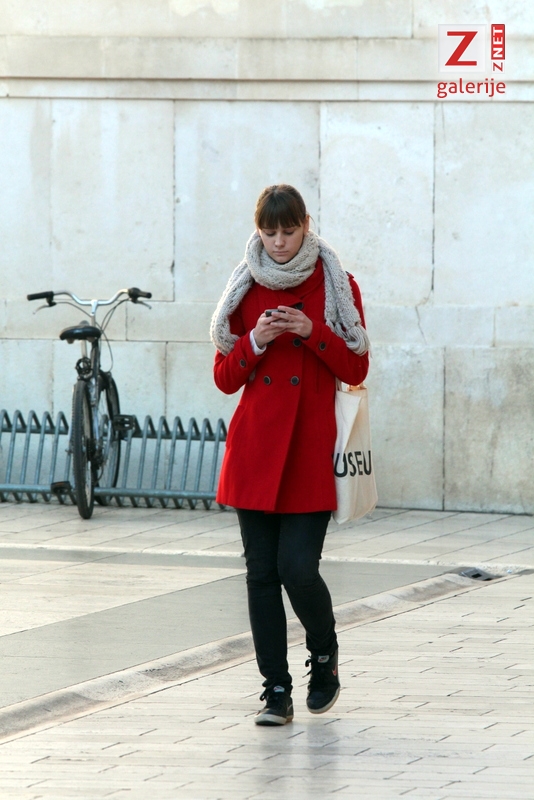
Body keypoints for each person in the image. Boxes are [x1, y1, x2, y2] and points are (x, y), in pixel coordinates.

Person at [210, 184, 370, 726]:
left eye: (289, 230)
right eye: (269, 231)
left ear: (306, 225)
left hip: (308, 450)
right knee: (260, 574)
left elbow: (357, 368)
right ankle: (274, 689)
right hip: (255, 450)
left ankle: (323, 654)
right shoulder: (243, 287)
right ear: (258, 231)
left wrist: (312, 332)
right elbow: (224, 378)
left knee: (298, 569)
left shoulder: (337, 283)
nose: (279, 242)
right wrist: (254, 341)